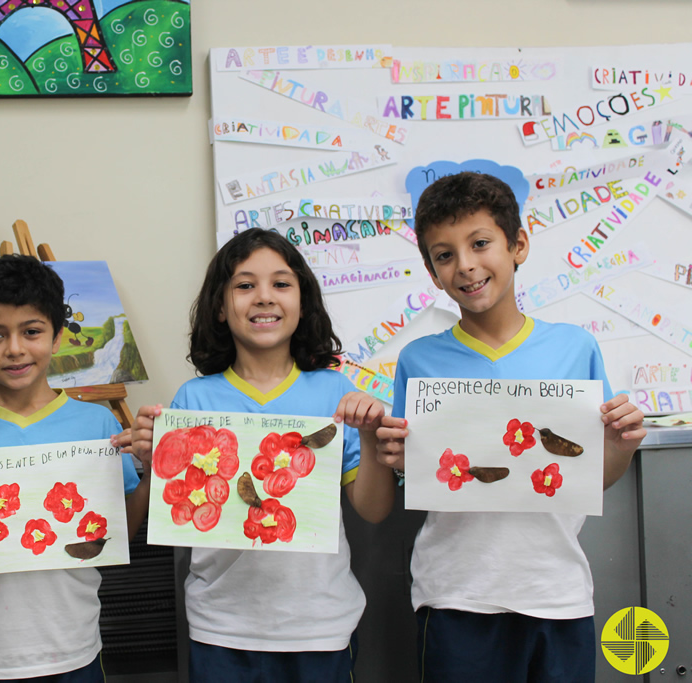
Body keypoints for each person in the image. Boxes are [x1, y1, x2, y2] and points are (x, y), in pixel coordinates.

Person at [376, 171, 646, 682]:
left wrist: (622, 445)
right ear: (432, 273)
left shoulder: (575, 348)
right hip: (455, 594)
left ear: (518, 244)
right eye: (445, 254)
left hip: (556, 592)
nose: (466, 265)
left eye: (480, 243)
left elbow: (593, 478)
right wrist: (397, 459)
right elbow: (417, 476)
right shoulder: (419, 361)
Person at [129, 228, 395, 682]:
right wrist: (154, 460)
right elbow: (168, 516)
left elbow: (372, 510)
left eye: (281, 284)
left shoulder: (335, 390)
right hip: (221, 626)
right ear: (219, 306)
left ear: (303, 302)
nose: (264, 297)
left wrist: (370, 439)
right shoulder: (194, 399)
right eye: (245, 285)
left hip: (321, 625)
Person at [0, 255, 150, 683]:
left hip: (72, 649)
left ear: (56, 338)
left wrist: (155, 471)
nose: (14, 349)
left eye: (31, 332)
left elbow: (119, 530)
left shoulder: (100, 425)